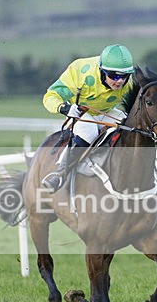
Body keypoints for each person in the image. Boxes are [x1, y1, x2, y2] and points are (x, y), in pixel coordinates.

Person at [41, 44, 136, 192]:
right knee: (89, 133)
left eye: (124, 76)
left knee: (133, 128)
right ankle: (60, 174)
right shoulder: (81, 72)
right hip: (81, 112)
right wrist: (65, 108)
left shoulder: (128, 82)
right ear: (102, 71)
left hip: (108, 111)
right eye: (114, 76)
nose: (120, 81)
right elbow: (50, 96)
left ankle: (151, 174)